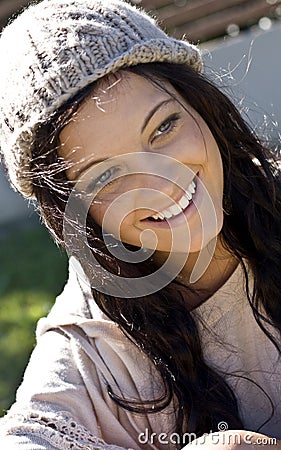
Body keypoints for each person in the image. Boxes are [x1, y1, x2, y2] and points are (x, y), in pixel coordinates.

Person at [0, 0, 280, 449]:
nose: (158, 183)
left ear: (200, 106)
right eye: (107, 174)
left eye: (164, 128)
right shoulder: (92, 344)